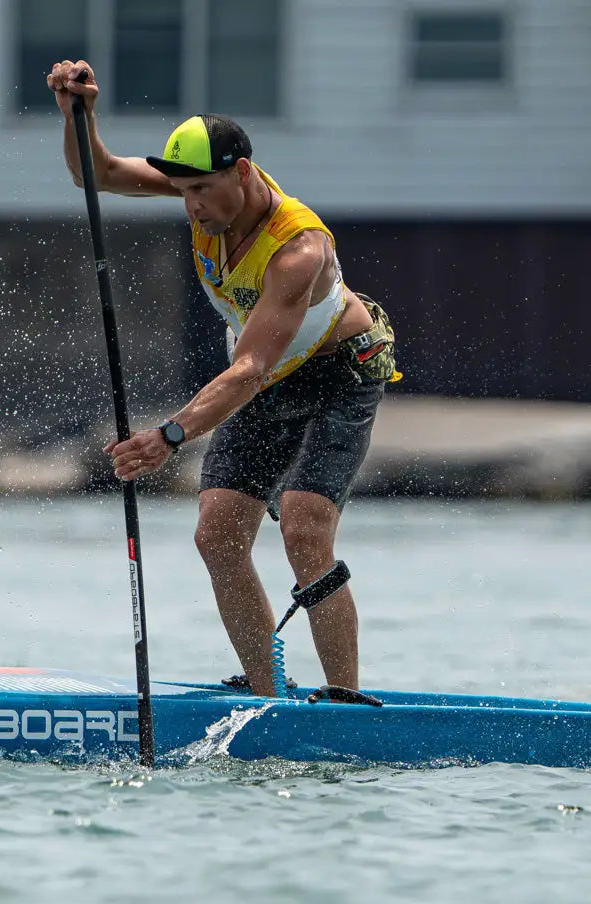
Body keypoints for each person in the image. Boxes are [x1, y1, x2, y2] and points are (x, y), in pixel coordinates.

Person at [48, 60, 398, 699]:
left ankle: (346, 702)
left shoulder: (299, 249)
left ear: (241, 172)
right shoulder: (203, 195)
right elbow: (94, 175)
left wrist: (170, 436)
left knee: (303, 525)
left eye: (202, 189)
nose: (192, 205)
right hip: (263, 378)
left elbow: (249, 369)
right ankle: (268, 692)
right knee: (218, 532)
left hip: (336, 373)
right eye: (182, 191)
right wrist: (79, 114)